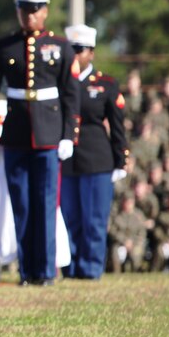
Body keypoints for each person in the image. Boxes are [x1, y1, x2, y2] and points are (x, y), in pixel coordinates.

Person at [0, 0, 80, 285]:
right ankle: (27, 271)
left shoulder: (61, 47)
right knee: (21, 204)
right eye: (23, 10)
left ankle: (46, 271)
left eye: (34, 10)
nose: (28, 16)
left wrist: (68, 135)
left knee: (46, 203)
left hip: (49, 135)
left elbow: (71, 95)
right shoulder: (3, 47)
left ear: (45, 11)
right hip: (16, 134)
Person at [59, 24, 130, 279]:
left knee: (94, 220)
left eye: (81, 50)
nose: (76, 55)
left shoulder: (106, 84)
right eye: (72, 49)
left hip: (97, 159)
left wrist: (121, 159)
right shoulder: (61, 81)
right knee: (71, 218)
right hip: (68, 160)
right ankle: (71, 266)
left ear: (92, 53)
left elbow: (118, 125)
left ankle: (90, 268)